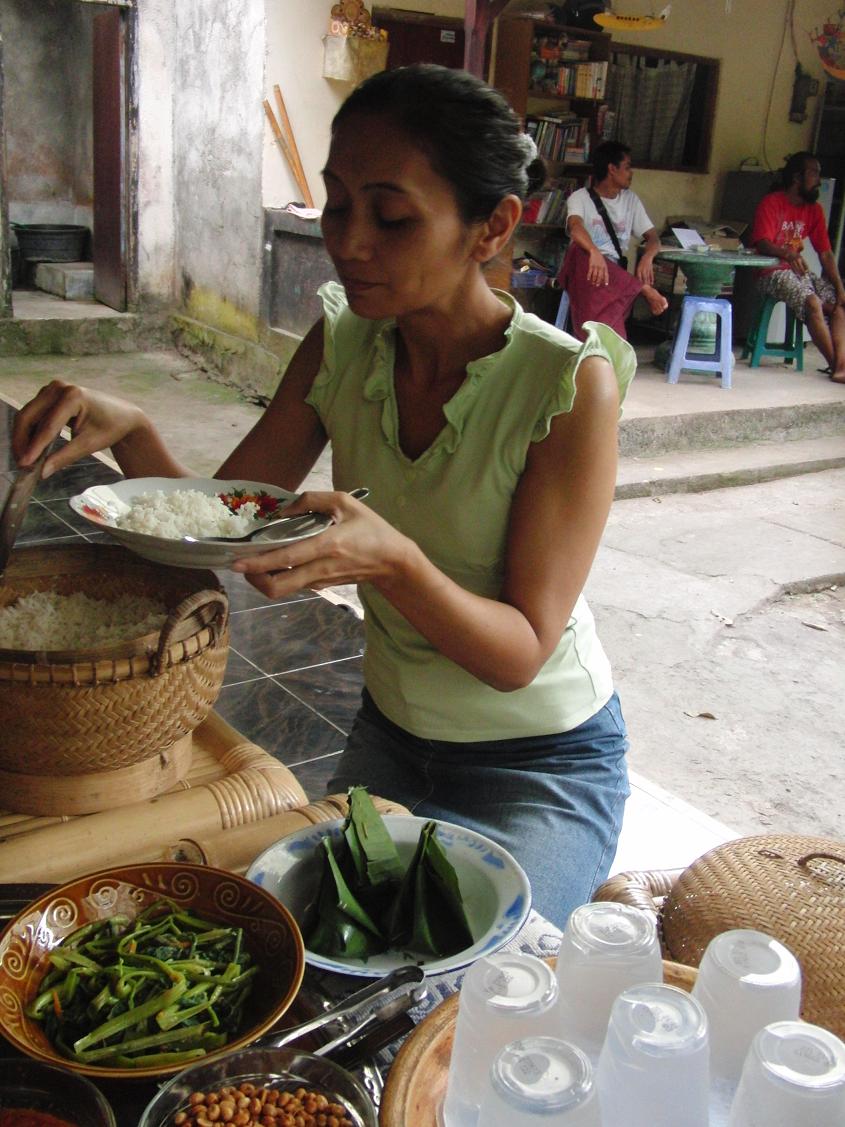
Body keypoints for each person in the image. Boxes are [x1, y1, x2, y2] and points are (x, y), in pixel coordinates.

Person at [12, 65, 636, 930]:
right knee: (312, 949)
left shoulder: (566, 386)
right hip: (390, 738)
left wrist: (394, 562)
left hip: (538, 764)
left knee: (456, 975)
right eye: (337, 204)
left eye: (391, 214)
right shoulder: (345, 340)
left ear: (492, 226)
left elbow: (520, 651)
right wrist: (132, 429)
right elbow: (225, 518)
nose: (351, 241)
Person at [749, 151, 845, 383]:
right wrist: (787, 253)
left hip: (799, 272)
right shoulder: (771, 203)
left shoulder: (814, 211)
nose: (819, 181)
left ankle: (841, 366)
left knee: (838, 305)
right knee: (812, 302)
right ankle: (837, 367)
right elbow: (762, 242)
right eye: (814, 173)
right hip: (770, 271)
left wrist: (839, 287)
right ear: (796, 177)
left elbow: (825, 253)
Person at [560, 140, 668, 341]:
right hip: (586, 269)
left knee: (610, 275)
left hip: (613, 275)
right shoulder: (580, 197)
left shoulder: (631, 200)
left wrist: (647, 257)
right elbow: (575, 227)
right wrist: (594, 252)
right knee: (579, 252)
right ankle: (641, 289)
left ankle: (605, 346)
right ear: (612, 169)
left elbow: (653, 238)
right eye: (627, 167)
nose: (631, 173)